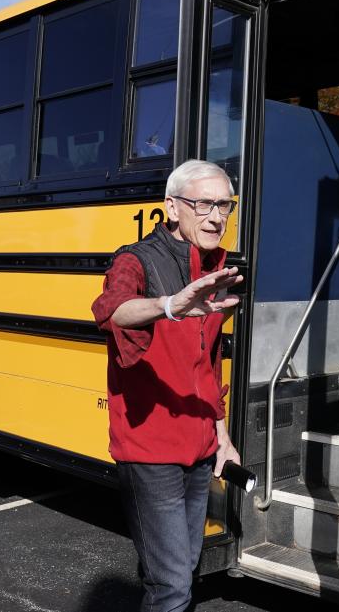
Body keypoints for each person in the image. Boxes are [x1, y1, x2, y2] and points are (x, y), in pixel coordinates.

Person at [91, 159, 243, 612]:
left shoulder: (215, 266)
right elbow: (111, 310)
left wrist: (222, 438)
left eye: (225, 205)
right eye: (204, 204)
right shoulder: (135, 260)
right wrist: (172, 305)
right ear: (172, 208)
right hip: (150, 450)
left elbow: (207, 364)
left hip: (199, 447)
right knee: (173, 585)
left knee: (181, 568)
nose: (216, 216)